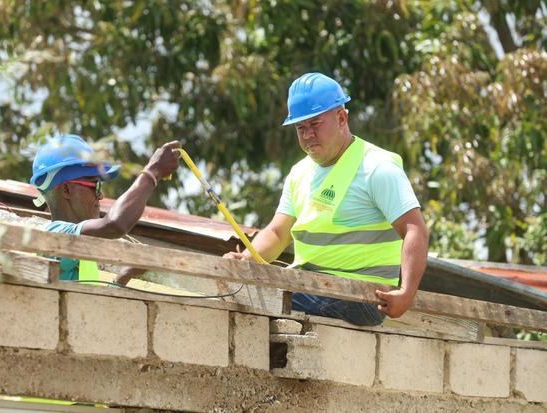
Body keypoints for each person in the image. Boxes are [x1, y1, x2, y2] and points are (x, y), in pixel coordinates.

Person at [224, 72, 429, 325]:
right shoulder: (299, 173)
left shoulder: (377, 168)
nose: (308, 135)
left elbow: (414, 229)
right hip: (312, 287)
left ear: (341, 118)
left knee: (255, 296)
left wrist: (406, 293)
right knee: (237, 289)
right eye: (301, 128)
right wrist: (245, 259)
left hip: (361, 297)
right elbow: (278, 233)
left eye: (315, 124)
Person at [30, 134, 181, 284]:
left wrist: (123, 277)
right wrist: (152, 173)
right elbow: (115, 224)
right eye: (95, 186)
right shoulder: (54, 236)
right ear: (67, 190)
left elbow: (89, 306)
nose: (100, 196)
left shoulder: (80, 250)